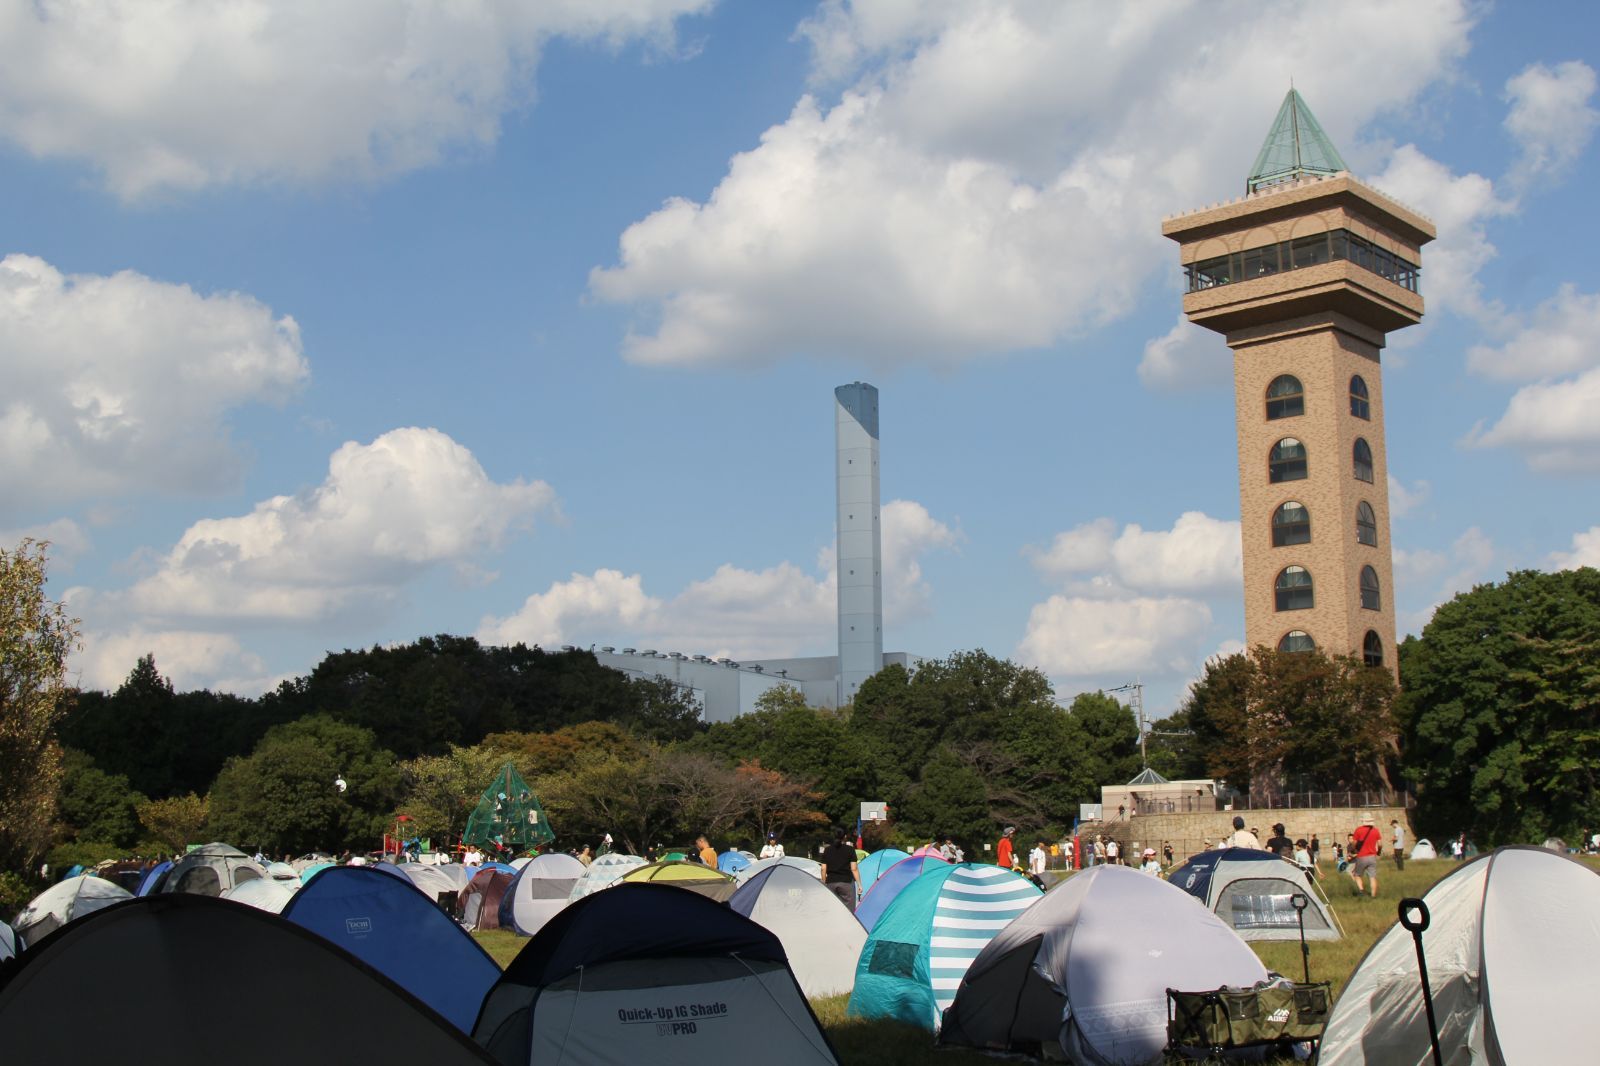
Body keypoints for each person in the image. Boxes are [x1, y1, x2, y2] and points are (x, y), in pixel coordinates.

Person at [820, 828, 861, 912]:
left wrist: (824, 882)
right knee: (849, 912)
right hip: (846, 883)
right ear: (845, 837)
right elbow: (854, 869)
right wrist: (859, 885)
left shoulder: (827, 850)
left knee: (832, 910)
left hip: (831, 883)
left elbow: (823, 868)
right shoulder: (850, 850)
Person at [1349, 814, 1382, 897]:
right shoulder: (1376, 830)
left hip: (1362, 856)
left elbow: (1354, 843)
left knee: (1357, 875)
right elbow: (1380, 844)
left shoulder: (1358, 830)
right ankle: (1373, 896)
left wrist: (1353, 850)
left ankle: (1361, 891)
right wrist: (1378, 852)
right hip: (1372, 856)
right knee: (1372, 877)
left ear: (1363, 821)